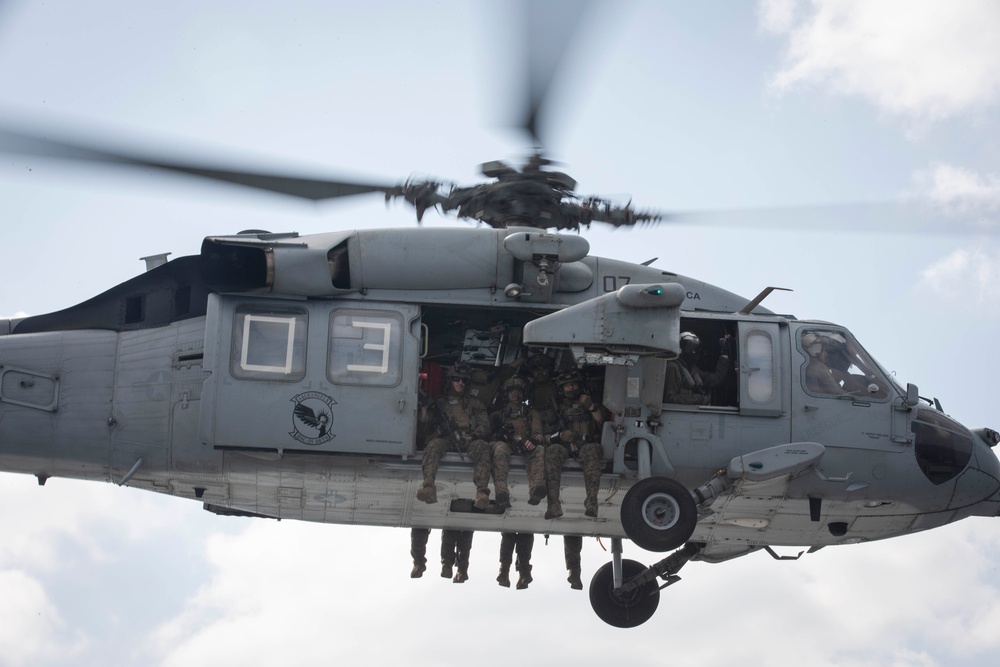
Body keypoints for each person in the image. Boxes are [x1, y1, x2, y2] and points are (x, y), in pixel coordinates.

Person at [416, 363, 493, 509]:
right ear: (449, 380)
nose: (460, 383)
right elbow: (424, 428)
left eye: (464, 380)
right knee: (433, 446)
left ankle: (482, 492)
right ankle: (429, 487)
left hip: (470, 440)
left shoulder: (474, 403)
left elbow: (485, 426)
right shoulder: (439, 403)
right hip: (447, 440)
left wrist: (472, 436)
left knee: (483, 447)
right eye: (456, 379)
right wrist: (424, 412)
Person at [536, 369, 605, 520]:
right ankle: (553, 505)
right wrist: (560, 436)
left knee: (591, 452)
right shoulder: (555, 408)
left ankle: (592, 502)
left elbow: (603, 423)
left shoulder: (590, 402)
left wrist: (591, 407)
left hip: (587, 444)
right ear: (561, 388)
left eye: (574, 385)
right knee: (552, 452)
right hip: (564, 446)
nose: (571, 388)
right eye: (567, 386)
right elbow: (543, 437)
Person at [489, 376, 547, 509]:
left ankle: (536, 489)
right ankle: (501, 490)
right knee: (499, 448)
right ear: (506, 394)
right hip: (506, 446)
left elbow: (538, 433)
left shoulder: (532, 414)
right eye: (511, 391)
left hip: (525, 445)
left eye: (519, 391)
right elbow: (488, 436)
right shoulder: (497, 416)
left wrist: (533, 440)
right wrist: (498, 436)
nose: (515, 394)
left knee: (539, 450)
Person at [664, 332, 732, 405]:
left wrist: (724, 353)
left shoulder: (692, 370)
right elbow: (669, 398)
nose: (693, 352)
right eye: (690, 348)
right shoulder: (673, 367)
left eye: (695, 348)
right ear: (680, 349)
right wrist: (698, 399)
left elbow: (716, 379)